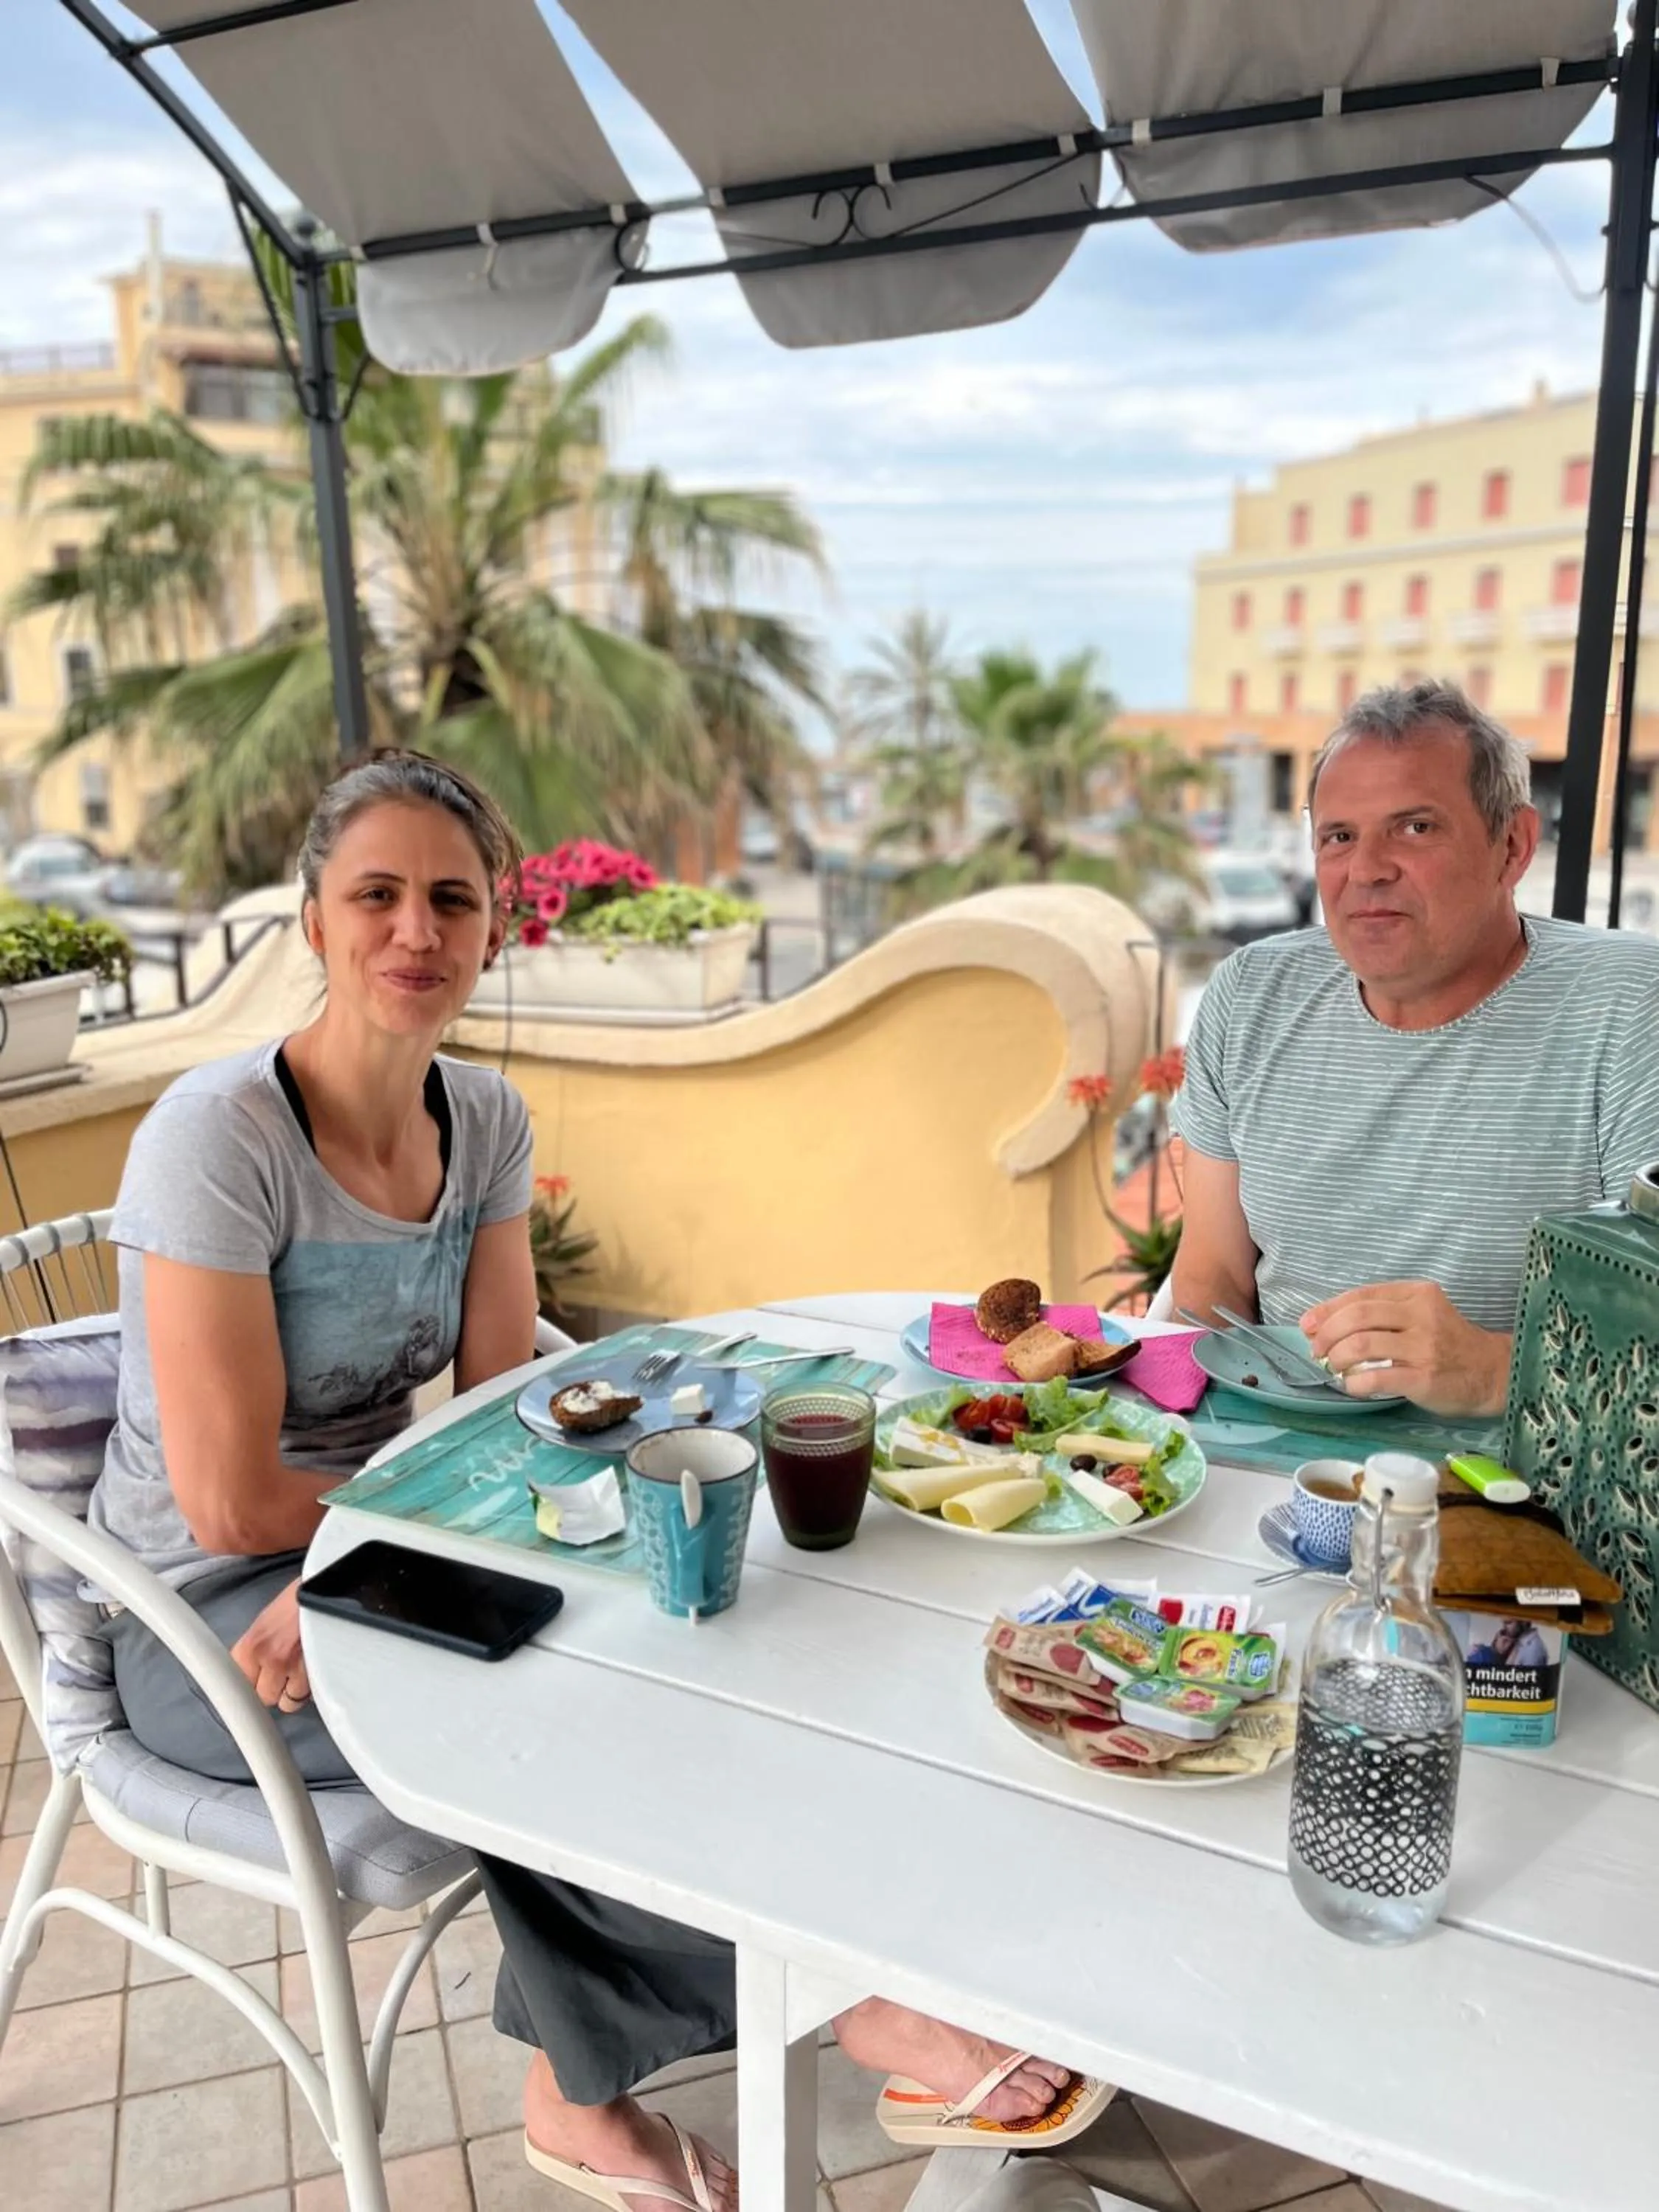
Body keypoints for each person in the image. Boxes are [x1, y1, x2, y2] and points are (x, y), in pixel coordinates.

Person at [88, 751, 1093, 2212]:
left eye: (452, 899)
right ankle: (854, 2006)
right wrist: (371, 1561)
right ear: (312, 919)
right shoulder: (218, 1139)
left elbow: (510, 1406)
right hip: (191, 1610)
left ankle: (584, 2083)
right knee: (542, 1709)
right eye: (376, 895)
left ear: (496, 928)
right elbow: (236, 1500)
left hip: (375, 1538)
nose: (415, 932)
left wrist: (382, 1566)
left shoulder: (480, 1121)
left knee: (668, 1631)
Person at [1172, 680, 1659, 1417]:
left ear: (1513, 846)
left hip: (1515, 1483)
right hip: (1264, 1449)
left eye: (1416, 828)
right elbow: (1210, 1278)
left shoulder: (1629, 1007)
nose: (1366, 869)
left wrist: (1499, 1371)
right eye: (1339, 836)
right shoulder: (1250, 995)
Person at [1466, 1617, 1550, 1672]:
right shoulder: (1519, 1642)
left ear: (1524, 1621)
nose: (1504, 1627)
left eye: (1509, 1623)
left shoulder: (1532, 1650)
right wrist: (1496, 1651)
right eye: (1503, 1623)